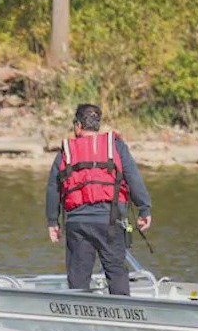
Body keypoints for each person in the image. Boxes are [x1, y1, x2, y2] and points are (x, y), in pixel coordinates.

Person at [45, 104, 152, 295]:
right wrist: (144, 209)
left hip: (77, 223)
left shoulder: (66, 151)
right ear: (97, 125)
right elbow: (132, 176)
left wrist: (53, 221)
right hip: (110, 221)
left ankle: (80, 315)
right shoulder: (116, 146)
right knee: (116, 272)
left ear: (78, 125)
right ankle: (123, 314)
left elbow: (54, 187)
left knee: (78, 277)